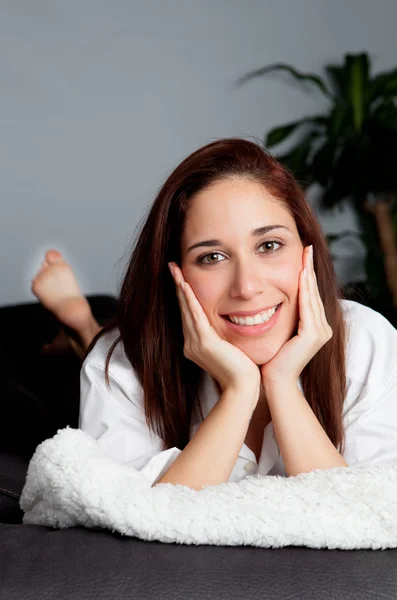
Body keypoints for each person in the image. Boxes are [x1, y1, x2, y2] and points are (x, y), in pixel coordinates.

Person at [32, 138, 397, 491]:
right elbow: (138, 524)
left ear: (307, 251)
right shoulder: (117, 364)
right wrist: (239, 392)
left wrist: (283, 384)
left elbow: (367, 519)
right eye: (212, 257)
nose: (246, 286)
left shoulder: (367, 341)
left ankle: (81, 326)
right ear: (174, 273)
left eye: (269, 245)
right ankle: (83, 328)